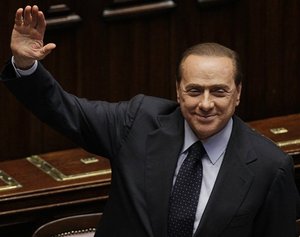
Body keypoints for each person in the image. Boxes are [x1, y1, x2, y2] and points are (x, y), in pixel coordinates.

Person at [1, 5, 299, 237]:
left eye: (219, 92)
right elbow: (67, 111)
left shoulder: (269, 168)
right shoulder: (139, 123)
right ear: (178, 92)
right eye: (194, 91)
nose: (206, 104)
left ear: (237, 94)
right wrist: (26, 65)